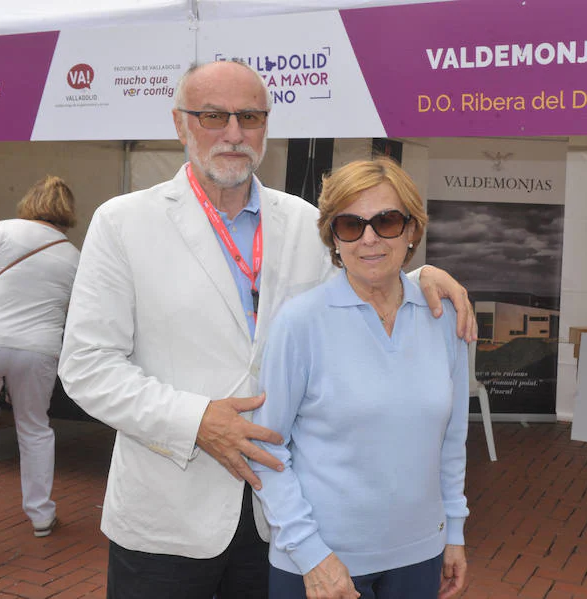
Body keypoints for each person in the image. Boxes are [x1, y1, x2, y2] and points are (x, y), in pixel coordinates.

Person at [57, 59, 474, 599]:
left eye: (250, 116)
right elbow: (87, 367)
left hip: (278, 523)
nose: (234, 133)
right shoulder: (123, 222)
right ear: (180, 124)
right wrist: (198, 420)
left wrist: (420, 278)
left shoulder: (304, 221)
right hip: (169, 517)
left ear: (267, 127)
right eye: (213, 116)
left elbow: (360, 282)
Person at [252, 158, 469, 599]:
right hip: (319, 564)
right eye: (351, 225)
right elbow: (265, 449)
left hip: (419, 557)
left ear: (412, 229)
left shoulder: (443, 318)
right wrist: (311, 555)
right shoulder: (300, 323)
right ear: (334, 238)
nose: (369, 238)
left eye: (386, 221)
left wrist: (454, 532)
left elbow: (452, 439)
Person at [0, 175, 80, 537]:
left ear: (30, 200)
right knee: (35, 429)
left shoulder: (4, 230)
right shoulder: (73, 255)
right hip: (38, 348)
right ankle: (41, 515)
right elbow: (75, 312)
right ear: (67, 212)